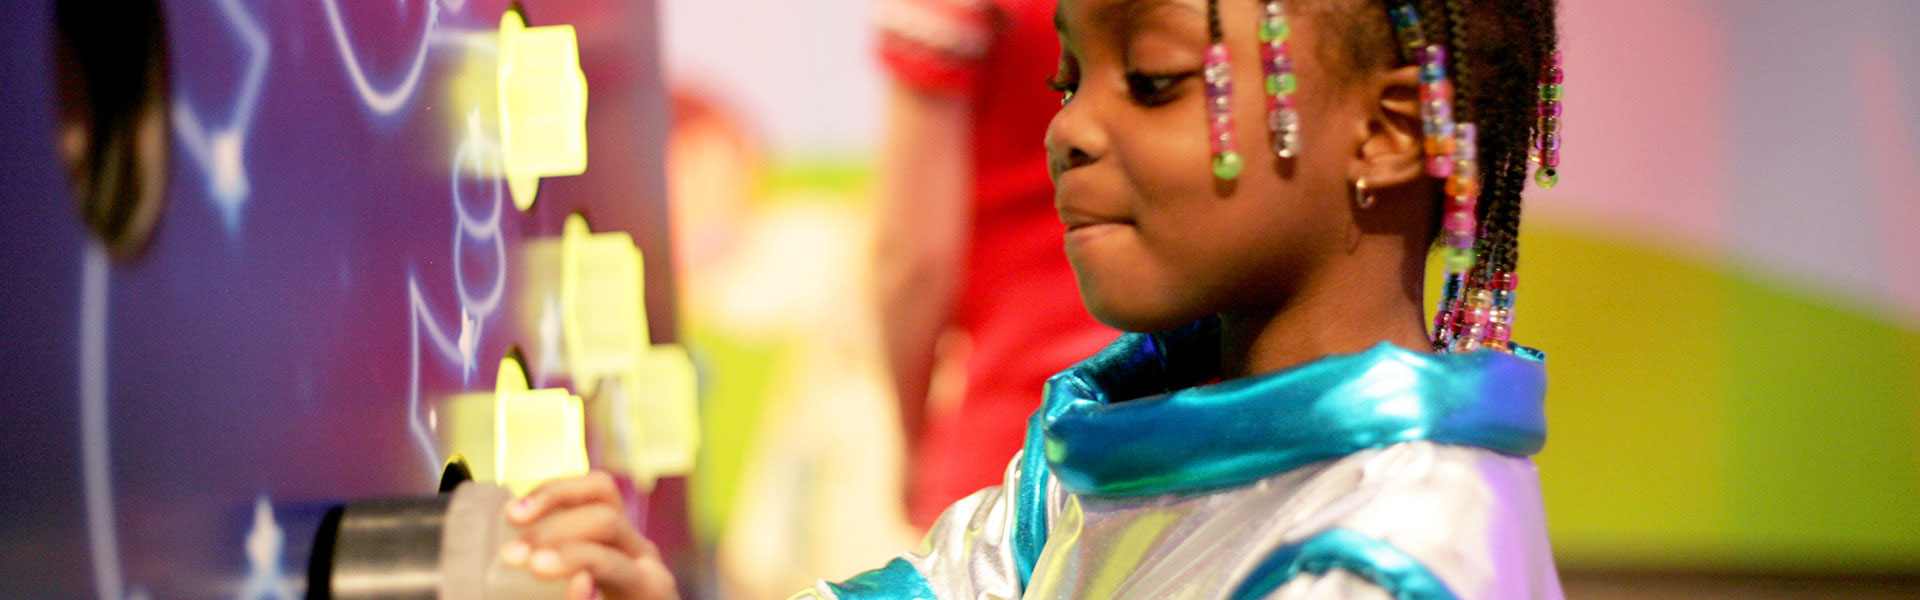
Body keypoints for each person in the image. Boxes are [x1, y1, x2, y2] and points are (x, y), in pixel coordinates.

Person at [498, 0, 1568, 597]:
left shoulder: (1397, 550)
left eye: (1150, 81)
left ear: (1383, 133)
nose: (1071, 129)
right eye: (1068, 80)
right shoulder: (1089, 462)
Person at [870, 0, 1120, 529]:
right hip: (1206, 425)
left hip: (1016, 433)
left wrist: (914, 441)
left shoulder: (951, 14)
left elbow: (913, 261)